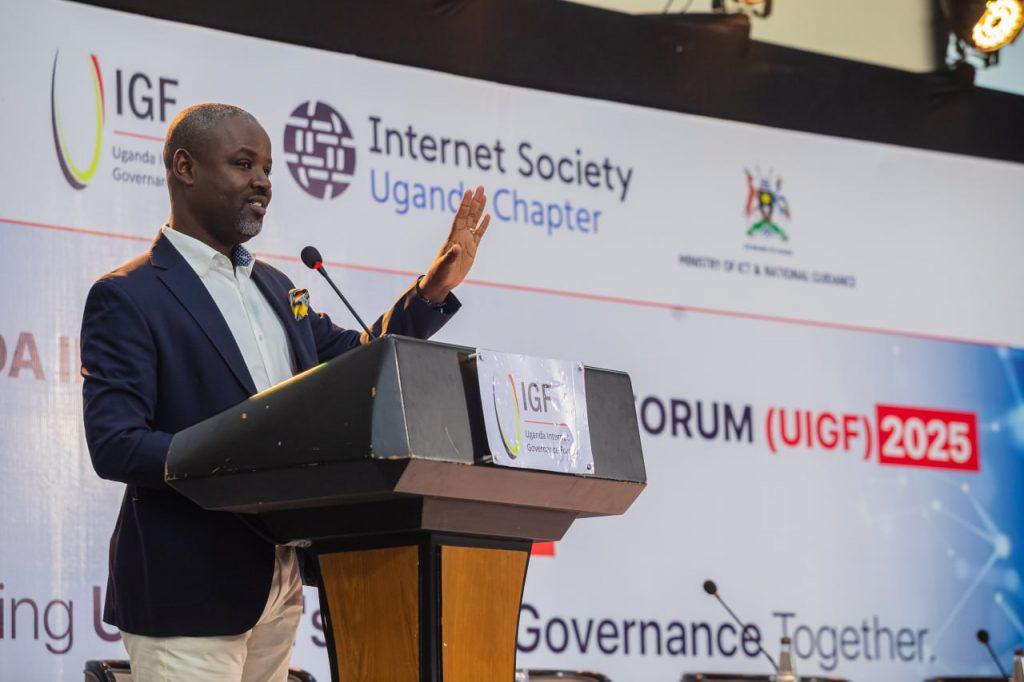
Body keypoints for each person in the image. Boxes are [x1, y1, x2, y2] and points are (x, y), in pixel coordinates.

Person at [80, 103, 491, 681]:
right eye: (244, 164)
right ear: (185, 167)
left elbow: (361, 362)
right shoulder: (129, 296)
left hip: (278, 582)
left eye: (268, 168)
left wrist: (432, 289)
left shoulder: (278, 287)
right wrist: (236, 458)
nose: (264, 182)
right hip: (186, 588)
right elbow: (116, 443)